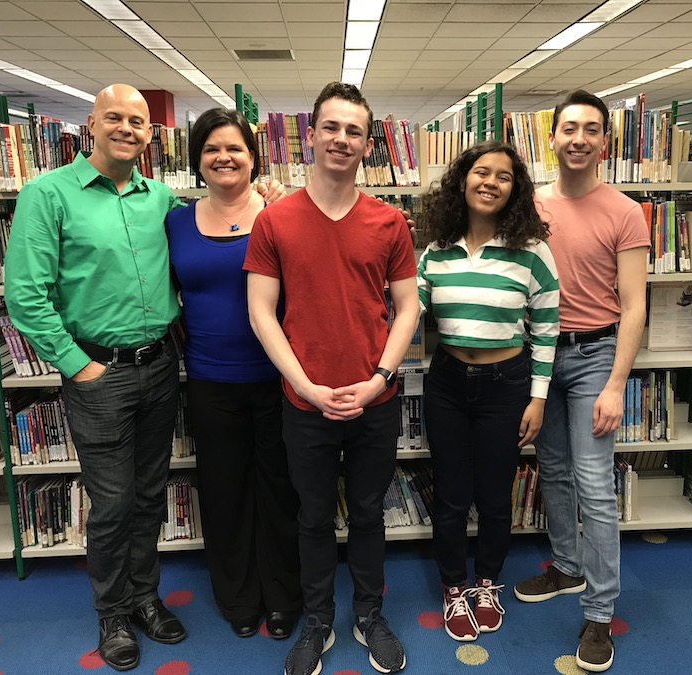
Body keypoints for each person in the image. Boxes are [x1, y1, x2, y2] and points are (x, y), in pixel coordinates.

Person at [3, 84, 285, 672]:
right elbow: (26, 296)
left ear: (152, 135)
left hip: (160, 365)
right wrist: (76, 363)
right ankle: (113, 613)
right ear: (91, 123)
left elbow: (221, 222)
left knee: (150, 496)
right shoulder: (46, 195)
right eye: (115, 118)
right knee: (111, 502)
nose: (127, 128)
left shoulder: (162, 201)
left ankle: (145, 595)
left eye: (138, 120)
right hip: (96, 369)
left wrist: (267, 193)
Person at [244, 82, 419, 675]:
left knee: (368, 512)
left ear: (367, 145)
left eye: (353, 131)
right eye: (331, 127)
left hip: (376, 399)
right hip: (304, 400)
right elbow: (261, 312)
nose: (341, 139)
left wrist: (378, 378)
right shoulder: (276, 221)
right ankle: (317, 620)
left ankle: (369, 614)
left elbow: (408, 308)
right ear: (311, 135)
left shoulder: (390, 223)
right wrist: (307, 386)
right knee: (313, 516)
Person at [512, 90, 649, 673]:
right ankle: (566, 567)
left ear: (604, 141)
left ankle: (598, 614)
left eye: (591, 129)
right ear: (553, 136)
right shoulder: (530, 207)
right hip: (538, 356)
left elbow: (636, 307)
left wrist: (617, 384)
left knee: (594, 484)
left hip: (595, 356)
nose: (579, 138)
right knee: (556, 471)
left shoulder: (625, 211)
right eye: (569, 127)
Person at [166, 109, 302, 641]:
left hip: (279, 377)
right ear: (197, 160)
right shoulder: (175, 220)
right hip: (209, 379)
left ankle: (283, 595)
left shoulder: (283, 212)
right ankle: (238, 597)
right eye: (210, 149)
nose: (224, 157)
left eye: (235, 148)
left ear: (253, 157)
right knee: (223, 491)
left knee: (280, 488)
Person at [416, 140, 559, 642]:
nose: (490, 182)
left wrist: (538, 397)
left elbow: (545, 329)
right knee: (452, 496)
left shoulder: (532, 252)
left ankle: (486, 583)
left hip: (507, 386)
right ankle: (454, 586)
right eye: (481, 172)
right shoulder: (436, 251)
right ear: (461, 181)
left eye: (503, 176)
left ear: (514, 189)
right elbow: (407, 310)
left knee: (496, 498)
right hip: (449, 383)